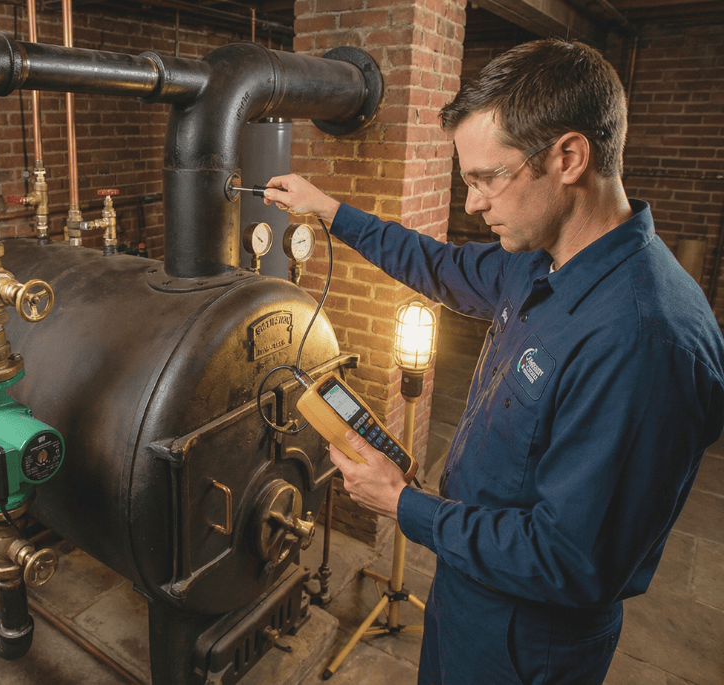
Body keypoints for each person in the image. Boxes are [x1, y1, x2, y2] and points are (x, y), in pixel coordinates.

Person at [262, 39, 724, 684]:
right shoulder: (541, 259)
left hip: (529, 634)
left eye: (486, 178)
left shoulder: (644, 340)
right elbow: (438, 265)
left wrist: (404, 506)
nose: (474, 203)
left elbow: (570, 559)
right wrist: (332, 212)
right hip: (469, 580)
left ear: (568, 156)